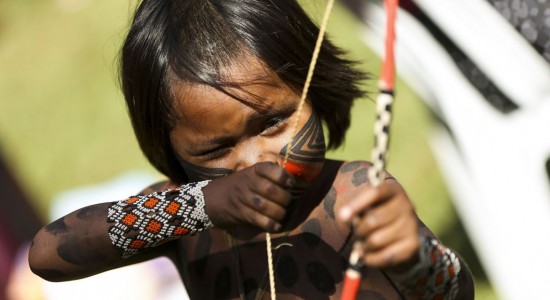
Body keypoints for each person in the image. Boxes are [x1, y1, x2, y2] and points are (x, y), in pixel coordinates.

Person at [27, 0, 474, 299]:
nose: (256, 161)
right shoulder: (185, 214)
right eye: (217, 148)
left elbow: (453, 293)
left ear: (313, 88)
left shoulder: (354, 195)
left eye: (274, 122)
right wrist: (201, 206)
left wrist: (416, 258)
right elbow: (48, 253)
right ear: (171, 148)